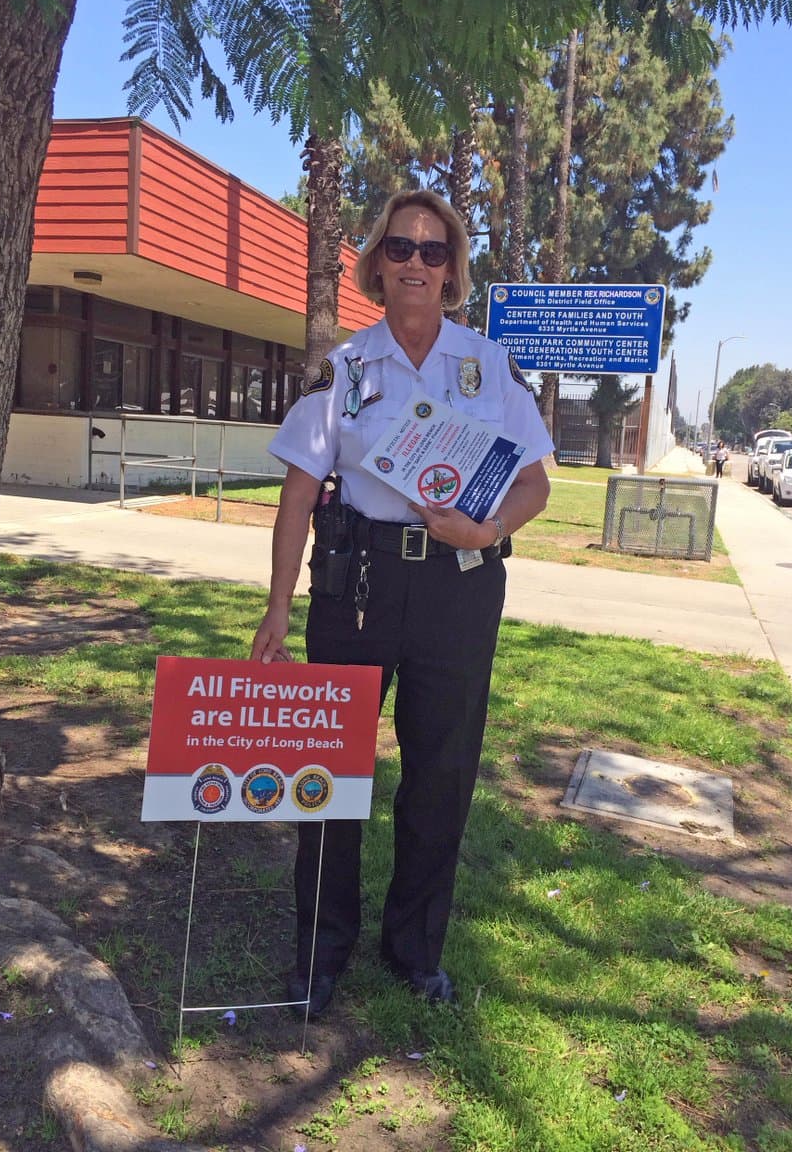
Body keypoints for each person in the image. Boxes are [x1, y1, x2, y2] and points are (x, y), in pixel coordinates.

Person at [251, 190, 553, 1017]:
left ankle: (414, 951)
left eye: (432, 250)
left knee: (440, 774)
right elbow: (297, 495)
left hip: (459, 586)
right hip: (358, 584)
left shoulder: (487, 366)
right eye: (399, 247)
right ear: (377, 264)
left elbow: (534, 484)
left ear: (452, 270)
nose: (415, 262)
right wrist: (276, 609)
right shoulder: (345, 369)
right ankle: (320, 952)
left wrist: (484, 531)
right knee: (331, 769)